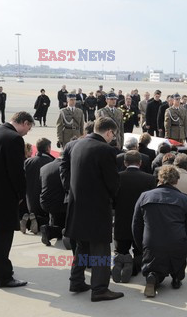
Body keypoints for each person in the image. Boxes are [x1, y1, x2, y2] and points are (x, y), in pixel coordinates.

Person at [63, 117, 124, 302]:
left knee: (82, 246)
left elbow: (66, 171)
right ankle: (99, 288)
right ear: (108, 132)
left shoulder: (76, 145)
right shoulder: (105, 150)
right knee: (101, 249)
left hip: (77, 205)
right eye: (113, 134)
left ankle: (76, 280)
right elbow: (112, 182)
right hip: (97, 207)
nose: (113, 138)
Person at [132, 165, 187, 298]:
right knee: (177, 259)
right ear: (176, 181)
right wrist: (180, 234)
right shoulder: (184, 199)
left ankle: (152, 276)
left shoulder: (144, 196)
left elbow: (136, 224)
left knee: (153, 261)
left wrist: (141, 244)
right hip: (177, 240)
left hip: (152, 240)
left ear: (159, 179)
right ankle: (176, 277)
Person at [0, 111, 34, 288]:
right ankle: (2, 276)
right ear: (24, 122)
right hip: (3, 196)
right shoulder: (14, 139)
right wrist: (21, 194)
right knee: (2, 237)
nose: (27, 132)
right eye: (28, 128)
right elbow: (17, 172)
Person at [113, 150, 156, 283]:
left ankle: (121, 262)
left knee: (121, 250)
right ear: (140, 163)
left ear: (125, 163)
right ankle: (133, 266)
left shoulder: (117, 177)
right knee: (140, 251)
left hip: (122, 220)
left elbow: (112, 200)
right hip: (141, 221)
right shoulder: (150, 179)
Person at [24, 138, 55, 235]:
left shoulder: (28, 162)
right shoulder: (50, 162)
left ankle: (28, 220)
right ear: (48, 148)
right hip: (43, 201)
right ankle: (35, 220)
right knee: (53, 221)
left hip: (30, 201)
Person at [39, 154, 67, 247]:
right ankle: (49, 230)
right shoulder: (64, 167)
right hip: (61, 203)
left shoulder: (44, 168)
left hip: (45, 201)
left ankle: (50, 229)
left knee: (56, 219)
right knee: (66, 228)